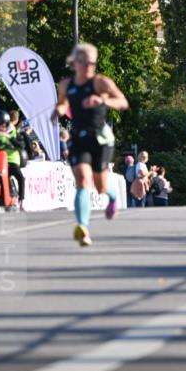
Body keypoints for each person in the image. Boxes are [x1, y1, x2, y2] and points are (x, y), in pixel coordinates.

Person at [54, 42, 128, 246]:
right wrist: (59, 110)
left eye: (92, 64)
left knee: (100, 186)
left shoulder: (101, 83)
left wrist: (103, 101)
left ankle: (112, 198)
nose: (89, 67)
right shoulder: (66, 85)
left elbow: (123, 102)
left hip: (100, 139)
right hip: (78, 137)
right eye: (85, 63)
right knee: (82, 181)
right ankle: (82, 227)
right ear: (75, 63)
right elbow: (63, 103)